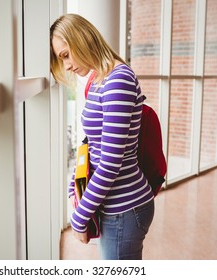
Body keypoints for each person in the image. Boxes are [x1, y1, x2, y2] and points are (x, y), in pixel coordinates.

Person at [50, 13, 154, 260]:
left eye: (66, 55)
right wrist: (76, 185)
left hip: (125, 208)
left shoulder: (118, 80)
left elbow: (110, 163)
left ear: (83, 39)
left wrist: (79, 217)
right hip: (116, 207)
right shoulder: (98, 79)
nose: (65, 66)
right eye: (60, 59)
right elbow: (94, 146)